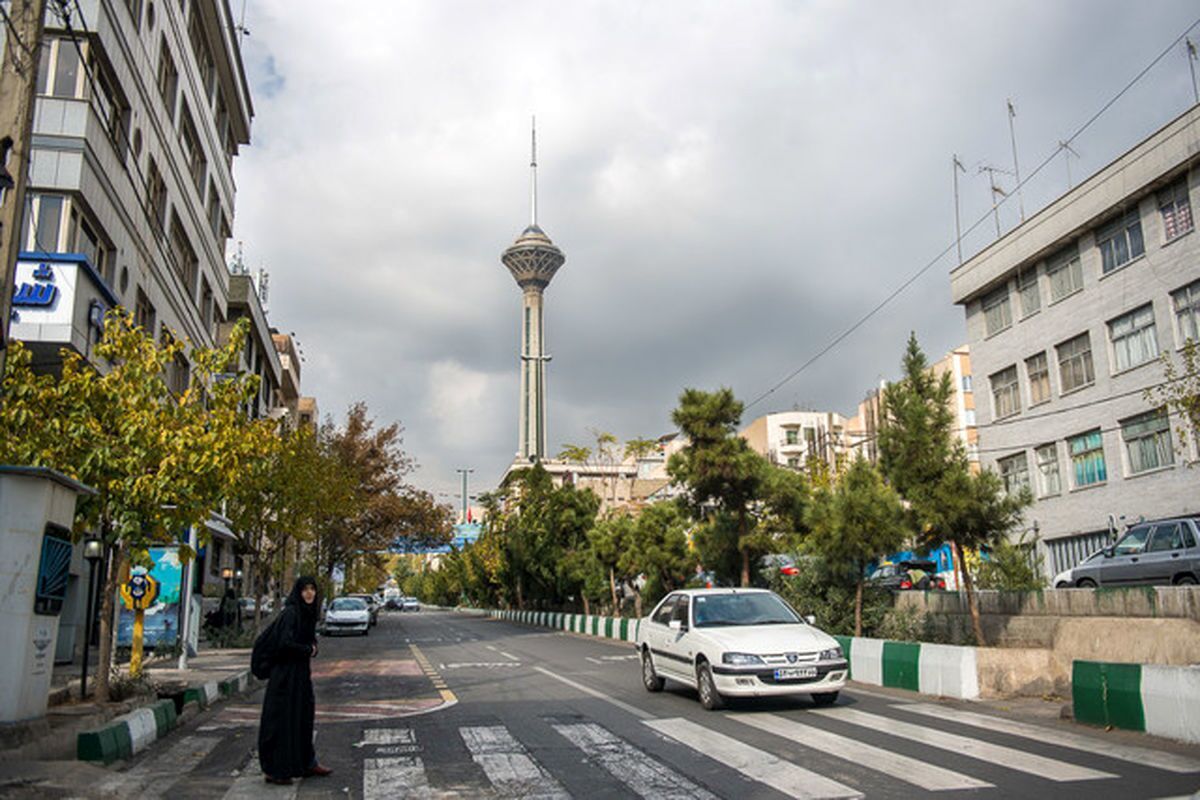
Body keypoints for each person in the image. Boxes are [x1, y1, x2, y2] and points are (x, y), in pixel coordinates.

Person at [258, 576, 332, 784]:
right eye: (305, 590)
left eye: (312, 589)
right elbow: (284, 644)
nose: (309, 593)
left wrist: (311, 646)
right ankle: (275, 770)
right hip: (284, 676)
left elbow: (307, 638)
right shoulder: (291, 613)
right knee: (281, 721)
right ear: (298, 592)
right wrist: (308, 649)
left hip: (300, 674)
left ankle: (307, 763)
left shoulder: (306, 614)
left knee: (303, 716)